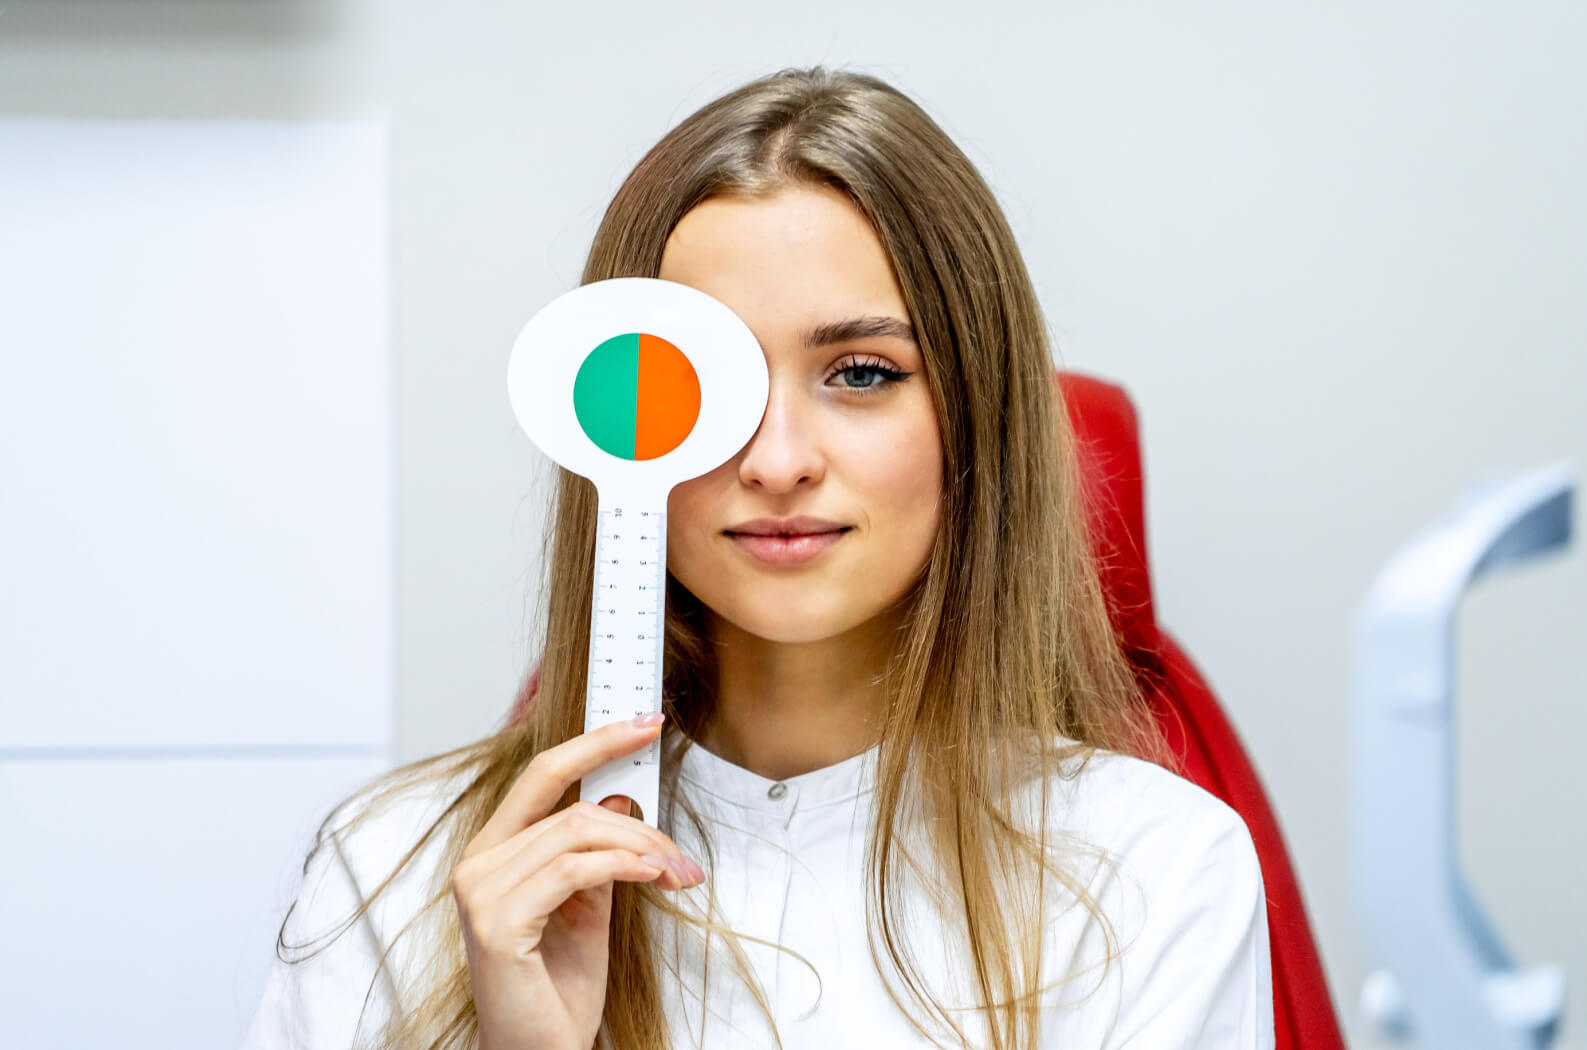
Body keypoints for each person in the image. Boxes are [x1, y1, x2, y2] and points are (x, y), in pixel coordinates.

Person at [239, 65, 1272, 1050]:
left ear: (977, 413)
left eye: (862, 373)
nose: (778, 461)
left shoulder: (1153, 870)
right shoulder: (394, 868)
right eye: (707, 380)